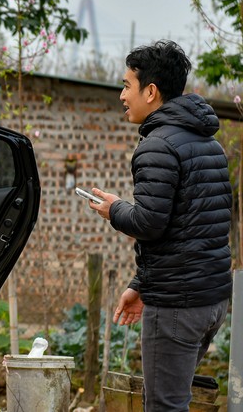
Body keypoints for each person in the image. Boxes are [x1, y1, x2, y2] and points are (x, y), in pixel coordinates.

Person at [88, 40, 232, 411]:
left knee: (165, 407)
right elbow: (191, 229)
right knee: (174, 400)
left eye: (126, 85)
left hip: (176, 306)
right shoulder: (209, 143)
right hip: (211, 300)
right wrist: (140, 285)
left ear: (151, 92)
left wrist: (114, 209)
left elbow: (150, 223)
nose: (122, 95)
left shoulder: (157, 146)